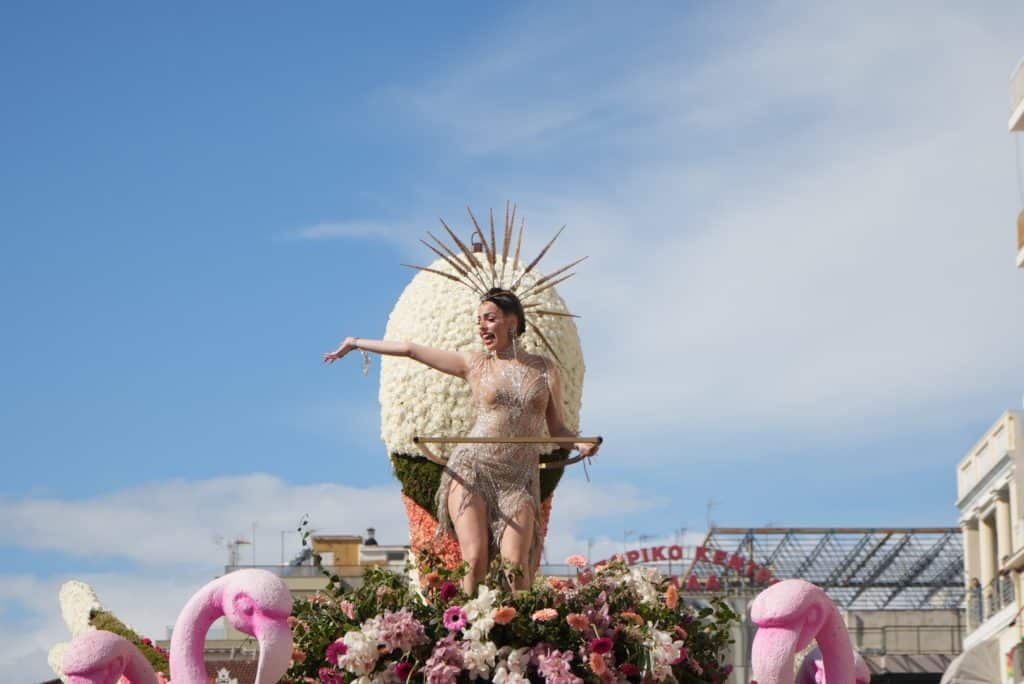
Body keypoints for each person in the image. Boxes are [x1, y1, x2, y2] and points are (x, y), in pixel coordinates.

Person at [323, 287, 598, 593]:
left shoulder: (545, 370)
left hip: (517, 480)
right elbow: (410, 349)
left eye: (490, 318)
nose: (482, 326)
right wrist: (355, 342)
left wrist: (580, 443)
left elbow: (558, 428)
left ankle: (515, 634)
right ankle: (466, 632)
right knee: (475, 558)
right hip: (472, 470)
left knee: (517, 568)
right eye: (478, 320)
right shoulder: (475, 363)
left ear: (512, 321)